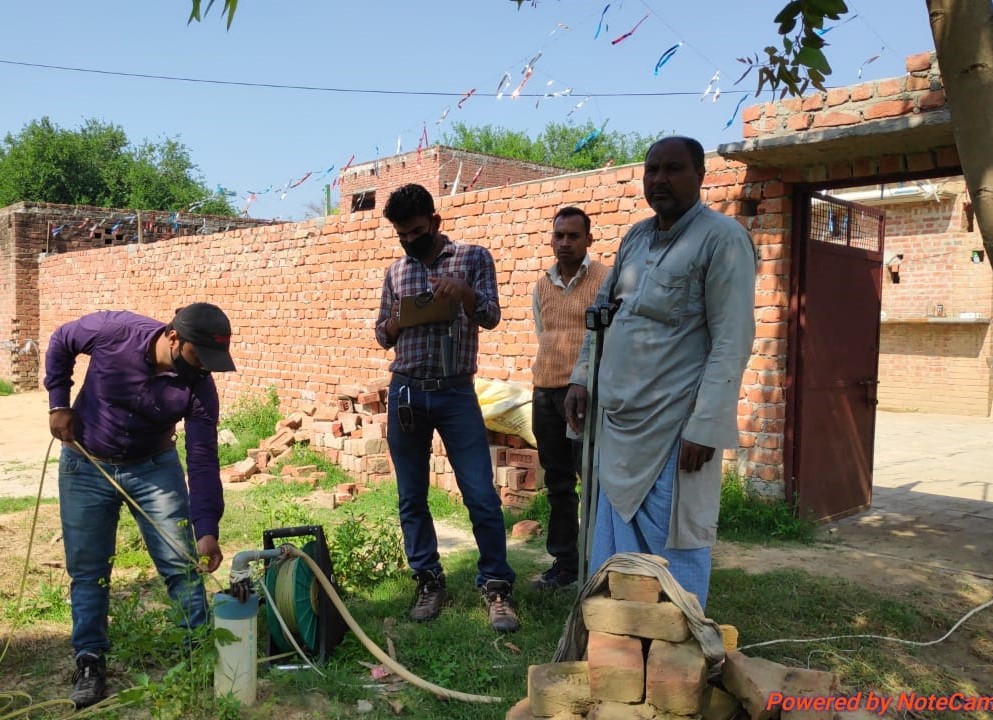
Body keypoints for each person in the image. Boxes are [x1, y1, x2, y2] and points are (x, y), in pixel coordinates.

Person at [565, 137, 756, 610]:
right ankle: (617, 643)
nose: (659, 180)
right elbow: (602, 315)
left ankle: (677, 646)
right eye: (652, 170)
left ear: (700, 175)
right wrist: (582, 376)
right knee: (613, 545)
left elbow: (732, 339)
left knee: (673, 546)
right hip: (618, 423)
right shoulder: (635, 237)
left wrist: (707, 424)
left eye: (673, 169)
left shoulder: (722, 238)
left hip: (675, 428)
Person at [44, 303, 237, 708]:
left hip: (154, 469)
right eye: (199, 356)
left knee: (181, 567)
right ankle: (90, 661)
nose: (204, 368)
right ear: (173, 338)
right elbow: (62, 340)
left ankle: (199, 652)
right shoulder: (115, 330)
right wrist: (58, 402)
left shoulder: (200, 386)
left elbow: (203, 458)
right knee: (89, 570)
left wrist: (206, 530)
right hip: (86, 462)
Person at [375, 183, 520, 633]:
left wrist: (463, 294)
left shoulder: (473, 259)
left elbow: (492, 316)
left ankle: (496, 586)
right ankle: (428, 581)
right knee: (411, 497)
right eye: (401, 234)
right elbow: (383, 334)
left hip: (456, 392)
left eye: (416, 231)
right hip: (406, 393)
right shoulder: (396, 272)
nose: (409, 241)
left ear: (436, 223)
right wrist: (400, 318)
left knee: (479, 492)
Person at [529, 206, 610, 591]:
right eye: (558, 235)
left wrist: (586, 385)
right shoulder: (542, 284)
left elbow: (609, 339)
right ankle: (564, 563)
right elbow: (543, 332)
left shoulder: (604, 280)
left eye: (573, 236)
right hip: (545, 394)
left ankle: (599, 564)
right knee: (558, 484)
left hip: (585, 397)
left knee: (593, 481)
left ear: (588, 240)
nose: (564, 243)